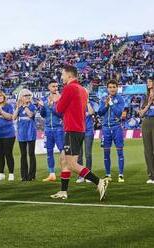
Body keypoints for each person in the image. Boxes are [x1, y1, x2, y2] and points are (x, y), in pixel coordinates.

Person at [50, 65, 108, 201]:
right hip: (78, 128)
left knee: (71, 164)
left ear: (69, 75)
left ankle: (99, 181)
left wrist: (55, 100)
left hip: (72, 129)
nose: (61, 77)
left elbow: (59, 109)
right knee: (63, 160)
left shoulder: (69, 88)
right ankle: (63, 191)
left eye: (63, 74)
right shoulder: (82, 89)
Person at [97, 79, 125, 182]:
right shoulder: (103, 99)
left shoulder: (120, 99)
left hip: (117, 128)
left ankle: (121, 174)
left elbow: (119, 113)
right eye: (110, 87)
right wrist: (106, 105)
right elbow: (99, 113)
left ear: (117, 88)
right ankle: (108, 174)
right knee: (106, 153)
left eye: (114, 87)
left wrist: (111, 104)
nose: (112, 89)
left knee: (120, 152)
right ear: (107, 88)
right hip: (105, 129)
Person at [38, 81, 64, 182]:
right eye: (53, 86)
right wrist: (42, 107)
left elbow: (61, 114)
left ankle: (64, 172)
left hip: (59, 128)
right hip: (48, 129)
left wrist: (49, 106)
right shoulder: (45, 99)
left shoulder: (61, 99)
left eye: (57, 86)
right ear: (49, 87)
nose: (55, 88)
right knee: (49, 151)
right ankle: (52, 174)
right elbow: (43, 115)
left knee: (62, 151)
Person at [13, 89, 37, 181]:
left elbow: (30, 115)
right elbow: (14, 117)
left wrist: (24, 106)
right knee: (23, 155)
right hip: (21, 133)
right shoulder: (19, 107)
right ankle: (24, 176)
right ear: (21, 97)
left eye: (28, 95)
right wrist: (17, 108)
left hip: (31, 132)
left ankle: (32, 175)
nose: (27, 97)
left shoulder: (32, 106)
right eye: (25, 95)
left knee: (31, 154)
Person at [139, 76, 154, 184]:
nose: (148, 83)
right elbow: (141, 114)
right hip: (146, 122)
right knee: (148, 150)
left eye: (150, 81)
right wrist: (149, 103)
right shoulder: (145, 97)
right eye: (147, 82)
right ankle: (151, 176)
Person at [76, 97, 95, 183]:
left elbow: (91, 112)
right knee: (79, 155)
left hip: (88, 131)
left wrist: (87, 102)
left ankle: (88, 175)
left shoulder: (90, 103)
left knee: (88, 154)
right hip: (78, 131)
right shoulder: (75, 104)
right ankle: (81, 175)